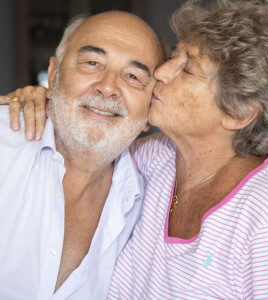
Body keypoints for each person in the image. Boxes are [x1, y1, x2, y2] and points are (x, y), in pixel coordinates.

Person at [3, 0, 268, 299]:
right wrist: (49, 97)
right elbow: (94, 132)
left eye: (187, 70)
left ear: (238, 112)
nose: (161, 73)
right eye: (173, 56)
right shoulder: (155, 160)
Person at [0, 11, 164, 300]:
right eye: (92, 63)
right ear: (53, 76)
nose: (109, 87)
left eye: (134, 76)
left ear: (152, 108)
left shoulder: (149, 203)